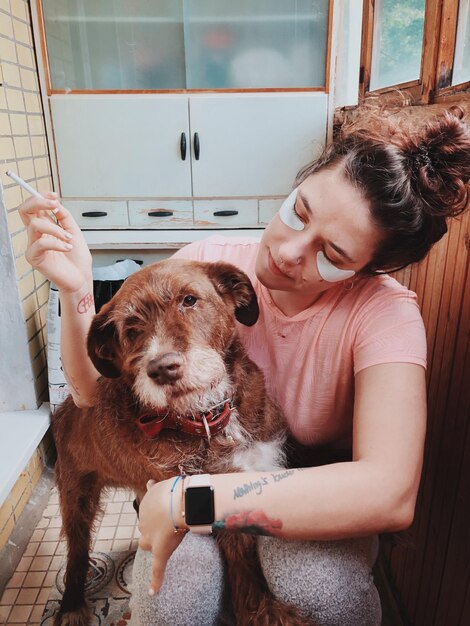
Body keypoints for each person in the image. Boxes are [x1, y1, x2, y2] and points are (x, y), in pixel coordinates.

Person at [18, 107, 470, 626]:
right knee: (170, 606)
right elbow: (92, 395)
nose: (287, 251)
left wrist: (194, 499)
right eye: (298, 211)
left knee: (323, 595)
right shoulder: (207, 265)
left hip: (309, 490)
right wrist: (76, 287)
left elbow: (390, 495)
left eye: (333, 254)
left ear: (365, 270)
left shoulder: (385, 316)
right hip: (192, 479)